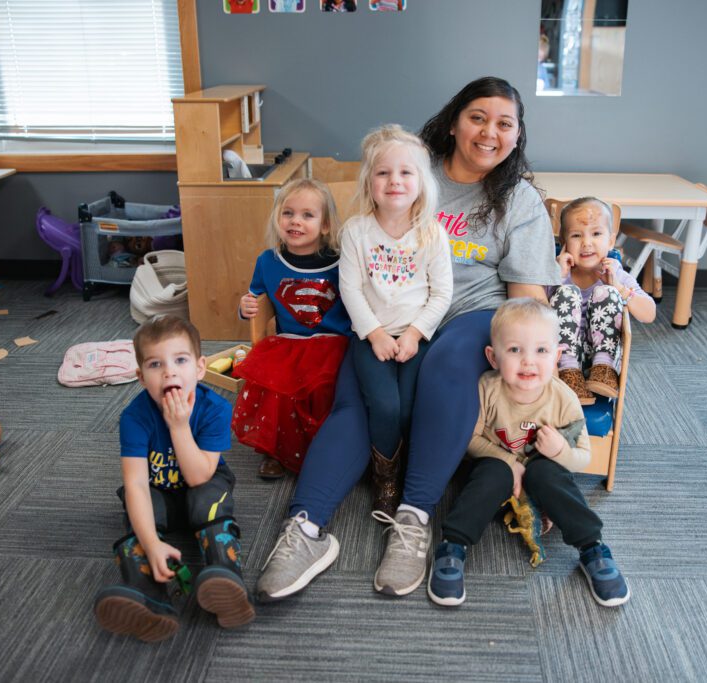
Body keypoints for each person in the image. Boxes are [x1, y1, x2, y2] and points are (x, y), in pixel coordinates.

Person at [255, 76, 561, 603]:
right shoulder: (410, 166)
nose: (489, 133)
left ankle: (413, 520)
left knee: (442, 368)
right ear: (454, 120)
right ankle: (305, 529)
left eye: (504, 124)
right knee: (355, 401)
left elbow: (526, 306)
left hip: (469, 315)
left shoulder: (518, 199)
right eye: (477, 118)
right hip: (385, 317)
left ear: (517, 135)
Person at [426, 298, 630, 608]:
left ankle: (593, 547)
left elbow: (583, 457)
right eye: (514, 350)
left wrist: (561, 449)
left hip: (541, 477)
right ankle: (453, 546)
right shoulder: (487, 388)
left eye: (541, 351)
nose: (528, 362)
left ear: (557, 356)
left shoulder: (562, 398)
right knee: (495, 470)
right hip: (494, 473)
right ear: (493, 357)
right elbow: (468, 438)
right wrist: (510, 463)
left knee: (546, 471)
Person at [93, 315, 254, 642]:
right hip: (160, 494)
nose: (169, 371)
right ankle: (148, 596)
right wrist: (152, 544)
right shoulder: (134, 417)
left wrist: (179, 427)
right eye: (155, 364)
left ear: (199, 368)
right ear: (141, 377)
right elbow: (136, 484)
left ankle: (225, 574)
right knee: (139, 505)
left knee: (207, 498)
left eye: (180, 360)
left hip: (201, 485)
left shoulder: (215, 410)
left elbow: (199, 476)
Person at [339, 124, 453, 516]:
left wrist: (416, 334)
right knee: (385, 406)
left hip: (416, 336)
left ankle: (409, 470)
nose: (394, 181)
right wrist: (374, 335)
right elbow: (351, 290)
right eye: (383, 172)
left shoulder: (432, 233)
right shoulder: (356, 231)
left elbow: (441, 293)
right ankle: (384, 476)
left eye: (406, 172)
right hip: (372, 336)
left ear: (421, 182)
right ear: (369, 181)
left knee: (410, 406)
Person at [233, 178, 351, 479]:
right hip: (289, 342)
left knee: (325, 387)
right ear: (278, 217)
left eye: (307, 215)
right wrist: (244, 307)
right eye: (288, 213)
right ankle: (277, 450)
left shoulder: (340, 262)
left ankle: (321, 448)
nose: (295, 221)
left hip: (333, 342)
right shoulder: (268, 261)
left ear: (325, 225)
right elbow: (255, 299)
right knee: (274, 385)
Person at [551, 197, 655, 405]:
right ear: (564, 243)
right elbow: (533, 310)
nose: (587, 243)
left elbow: (649, 314)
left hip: (601, 357)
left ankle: (603, 368)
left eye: (597, 234)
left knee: (607, 293)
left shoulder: (616, 272)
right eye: (576, 235)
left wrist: (619, 289)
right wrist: (557, 277)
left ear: (610, 240)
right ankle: (570, 375)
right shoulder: (556, 271)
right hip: (561, 362)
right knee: (565, 293)